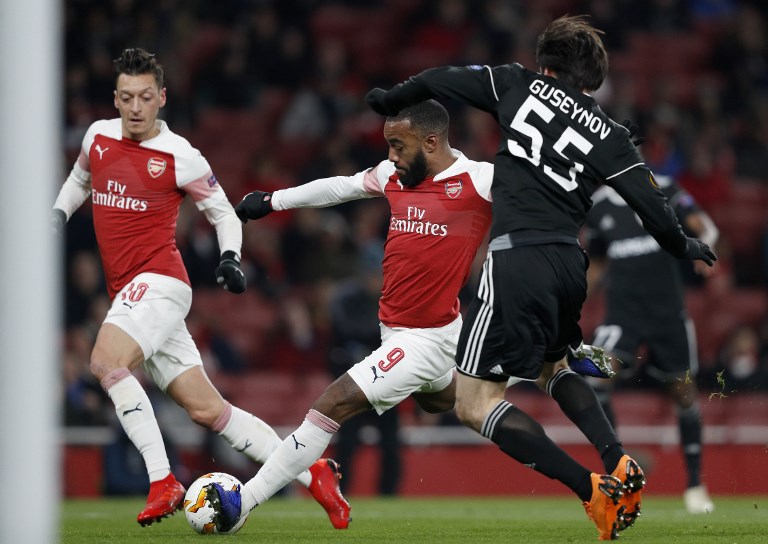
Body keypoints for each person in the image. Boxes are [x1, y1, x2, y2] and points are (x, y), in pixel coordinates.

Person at [364, 15, 716, 540]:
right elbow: (654, 206)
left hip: (515, 259)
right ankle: (618, 459)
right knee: (554, 366)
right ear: (591, 80)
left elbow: (440, 79)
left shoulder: (514, 82)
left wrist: (393, 96)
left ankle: (592, 491)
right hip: (568, 264)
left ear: (544, 63)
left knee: (473, 402)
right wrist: (684, 245)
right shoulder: (612, 134)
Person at [51, 48, 348, 529]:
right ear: (115, 98)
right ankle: (312, 473)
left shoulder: (180, 155)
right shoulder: (98, 136)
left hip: (161, 282)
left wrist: (230, 255)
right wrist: (58, 213)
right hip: (132, 292)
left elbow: (224, 213)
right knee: (208, 410)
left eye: (145, 97)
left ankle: (162, 480)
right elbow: (81, 178)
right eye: (126, 97)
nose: (135, 107)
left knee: (105, 361)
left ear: (162, 97)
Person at [206, 99, 494, 532]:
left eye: (398, 145)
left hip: (425, 336)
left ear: (430, 141)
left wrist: (604, 159)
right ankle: (482, 375)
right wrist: (272, 201)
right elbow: (339, 187)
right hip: (409, 331)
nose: (391, 156)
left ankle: (242, 502)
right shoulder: (395, 176)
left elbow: (542, 184)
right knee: (439, 400)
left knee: (331, 403)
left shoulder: (479, 180)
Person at [584, 174, 719, 514]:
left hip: (668, 315)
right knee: (594, 375)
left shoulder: (663, 188)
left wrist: (703, 245)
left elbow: (702, 225)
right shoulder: (598, 207)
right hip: (622, 315)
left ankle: (694, 485)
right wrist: (573, 297)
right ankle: (618, 473)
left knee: (684, 393)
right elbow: (597, 263)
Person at [328, 244, 403, 496]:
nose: (375, 279)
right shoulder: (347, 298)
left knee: (391, 444)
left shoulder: (391, 297)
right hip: (355, 382)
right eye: (371, 274)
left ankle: (388, 495)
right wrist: (376, 340)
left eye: (378, 274)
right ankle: (340, 493)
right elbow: (343, 331)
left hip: (384, 382)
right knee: (347, 445)